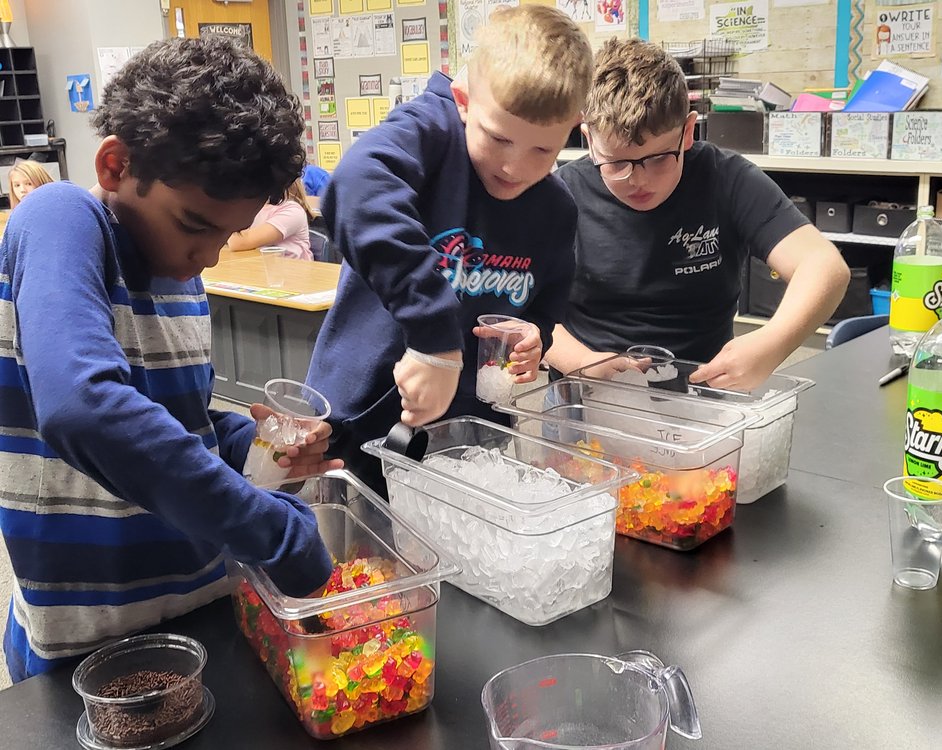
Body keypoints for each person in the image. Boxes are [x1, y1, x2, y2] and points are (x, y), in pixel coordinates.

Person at [0, 36, 340, 682]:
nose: (210, 256)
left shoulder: (183, 280)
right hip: (85, 655)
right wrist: (273, 531)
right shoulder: (59, 218)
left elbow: (178, 416)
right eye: (193, 225)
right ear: (114, 166)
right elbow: (83, 407)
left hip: (201, 618)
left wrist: (256, 442)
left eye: (226, 233)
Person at [306, 5, 592, 486]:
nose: (514, 166)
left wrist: (531, 338)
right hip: (356, 427)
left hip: (469, 440)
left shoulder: (556, 210)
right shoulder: (430, 134)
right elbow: (354, 187)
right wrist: (435, 342)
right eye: (498, 137)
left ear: (574, 128)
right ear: (463, 101)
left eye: (543, 150)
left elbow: (542, 306)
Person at [548, 39, 851, 391]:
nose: (638, 180)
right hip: (585, 394)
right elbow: (528, 306)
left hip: (701, 397)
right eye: (616, 163)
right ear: (588, 139)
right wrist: (581, 364)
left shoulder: (726, 179)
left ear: (688, 131)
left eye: (659, 158)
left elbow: (825, 267)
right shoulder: (563, 194)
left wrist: (770, 344)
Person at [225, 177, 313, 260]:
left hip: (291, 273)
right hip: (257, 269)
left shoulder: (293, 212)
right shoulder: (255, 207)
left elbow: (238, 242)